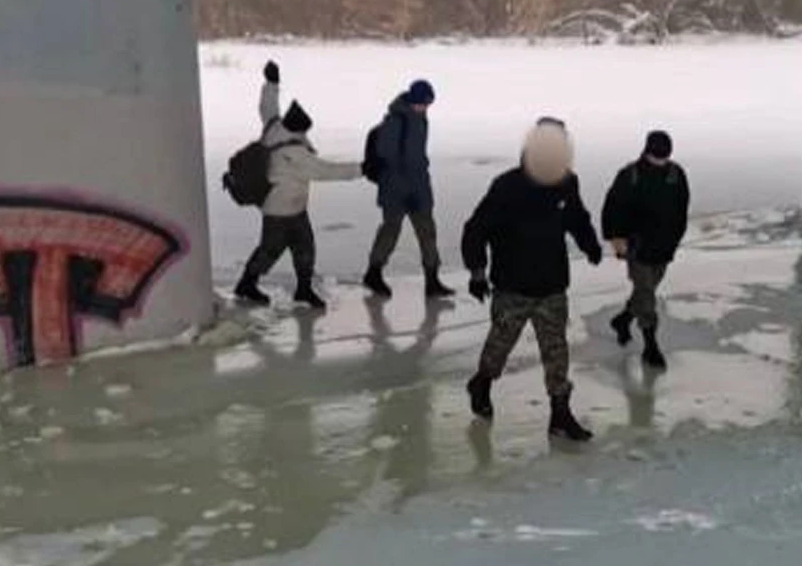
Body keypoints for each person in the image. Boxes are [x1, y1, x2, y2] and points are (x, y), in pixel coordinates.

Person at [462, 117, 603, 442]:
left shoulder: (566, 182)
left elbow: (577, 217)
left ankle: (560, 413)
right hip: (513, 285)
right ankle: (481, 382)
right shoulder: (508, 186)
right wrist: (477, 272)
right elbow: (476, 229)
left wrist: (590, 243)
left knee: (556, 352)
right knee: (499, 346)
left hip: (552, 284)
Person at [234, 60, 362, 311]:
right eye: (305, 131)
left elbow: (267, 107)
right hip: (281, 210)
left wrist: (271, 83)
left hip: (289, 206)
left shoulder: (274, 127)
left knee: (304, 246)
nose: (307, 136)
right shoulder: (294, 153)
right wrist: (362, 169)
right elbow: (325, 170)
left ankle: (303, 289)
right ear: (298, 130)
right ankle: (247, 284)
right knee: (271, 250)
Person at [601, 130, 691, 370]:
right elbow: (612, 208)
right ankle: (651, 347)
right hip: (637, 247)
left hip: (664, 247)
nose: (661, 162)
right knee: (646, 293)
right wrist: (616, 238)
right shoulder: (630, 175)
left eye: (665, 157)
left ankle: (622, 320)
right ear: (647, 152)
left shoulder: (676, 174)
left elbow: (682, 209)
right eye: (657, 157)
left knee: (646, 290)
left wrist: (675, 239)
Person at [364, 79, 453, 301]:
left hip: (419, 188)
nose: (426, 108)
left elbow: (416, 158)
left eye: (428, 104)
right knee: (390, 231)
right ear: (414, 100)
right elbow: (390, 161)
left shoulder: (420, 120)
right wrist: (406, 192)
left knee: (427, 233)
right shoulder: (396, 122)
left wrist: (420, 189)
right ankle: (373, 273)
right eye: (423, 103)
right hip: (397, 190)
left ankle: (432, 280)